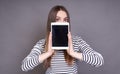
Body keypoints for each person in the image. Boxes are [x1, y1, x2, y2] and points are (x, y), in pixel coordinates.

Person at [21, 5, 104, 74]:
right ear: (51, 22)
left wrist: (72, 53)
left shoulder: (77, 41)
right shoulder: (43, 43)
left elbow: (99, 61)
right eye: (57, 19)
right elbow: (24, 66)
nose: (62, 23)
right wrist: (48, 53)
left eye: (65, 20)